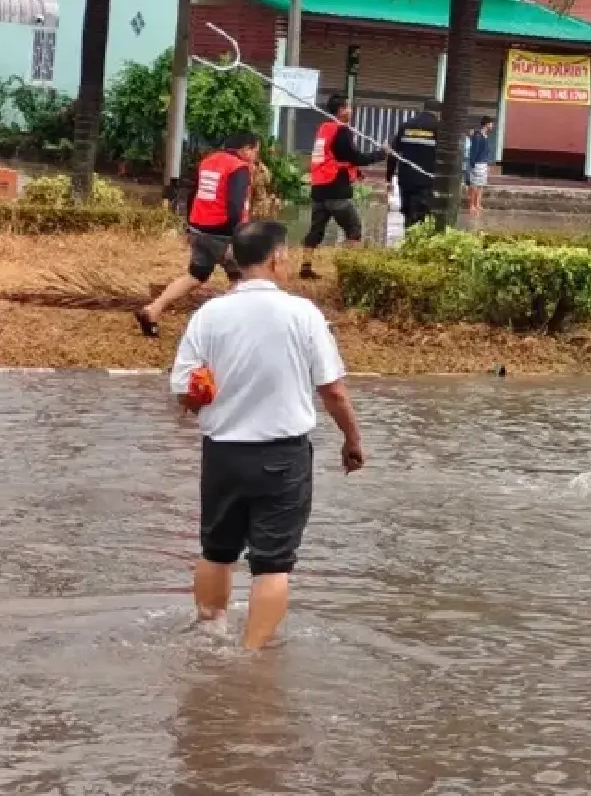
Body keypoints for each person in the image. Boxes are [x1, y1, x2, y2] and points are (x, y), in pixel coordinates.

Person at [170, 220, 366, 650]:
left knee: (216, 550)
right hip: (282, 457)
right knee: (272, 565)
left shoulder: (209, 314)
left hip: (221, 455)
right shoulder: (302, 314)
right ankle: (250, 659)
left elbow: (183, 388)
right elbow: (332, 390)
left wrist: (203, 397)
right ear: (277, 257)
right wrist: (352, 440)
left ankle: (209, 638)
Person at [138, 132, 262, 338]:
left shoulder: (208, 161)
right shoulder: (238, 167)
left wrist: (190, 226)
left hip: (200, 229)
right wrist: (237, 237)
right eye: (255, 151)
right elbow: (234, 206)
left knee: (195, 275)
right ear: (246, 149)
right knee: (242, 279)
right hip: (224, 233)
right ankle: (225, 328)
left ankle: (153, 309)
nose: (256, 157)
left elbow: (193, 194)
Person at [300, 95, 383, 280]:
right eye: (348, 107)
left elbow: (336, 158)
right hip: (336, 189)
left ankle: (305, 267)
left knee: (315, 231)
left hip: (319, 189)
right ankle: (353, 273)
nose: (351, 111)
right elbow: (354, 157)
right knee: (354, 229)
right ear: (341, 110)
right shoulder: (341, 130)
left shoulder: (324, 129)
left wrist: (356, 173)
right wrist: (381, 154)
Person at [387, 102, 440, 234]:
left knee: (408, 215)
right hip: (427, 181)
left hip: (406, 180)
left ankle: (408, 241)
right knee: (423, 218)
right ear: (439, 113)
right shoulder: (439, 128)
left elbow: (393, 154)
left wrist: (389, 177)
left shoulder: (406, 126)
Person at [463, 117, 495, 216]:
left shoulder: (485, 136)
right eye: (491, 124)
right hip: (477, 163)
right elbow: (474, 151)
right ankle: (471, 204)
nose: (492, 126)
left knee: (481, 185)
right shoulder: (478, 136)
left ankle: (477, 203)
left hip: (483, 163)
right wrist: (472, 163)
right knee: (474, 185)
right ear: (486, 124)